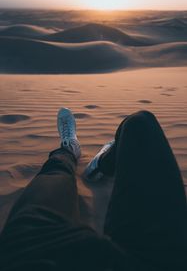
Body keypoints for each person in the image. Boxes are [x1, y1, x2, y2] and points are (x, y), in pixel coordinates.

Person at [0, 108, 186, 271]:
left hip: (41, 259)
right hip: (155, 264)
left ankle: (69, 150)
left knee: (54, 174)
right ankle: (102, 163)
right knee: (140, 122)